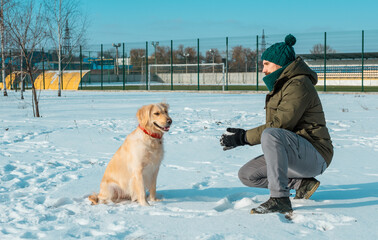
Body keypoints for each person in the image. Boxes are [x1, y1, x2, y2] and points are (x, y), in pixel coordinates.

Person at [220, 34, 333, 214]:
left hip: (315, 154)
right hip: (296, 153)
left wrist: (243, 137)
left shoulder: (298, 84)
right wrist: (243, 137)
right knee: (247, 175)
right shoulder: (283, 85)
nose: (263, 70)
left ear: (279, 64)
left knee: (271, 134)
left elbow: (279, 125)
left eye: (266, 64)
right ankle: (301, 183)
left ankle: (279, 198)